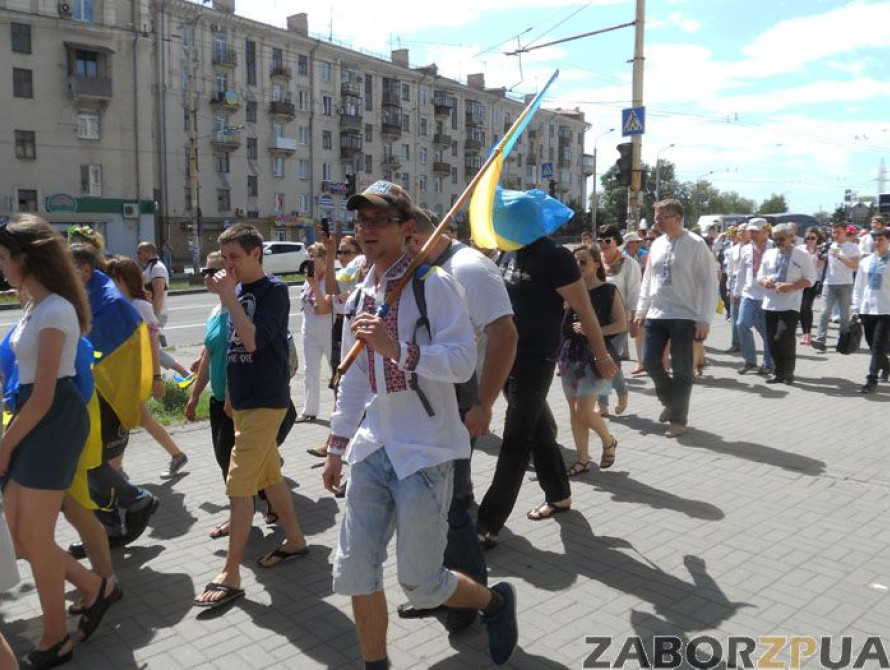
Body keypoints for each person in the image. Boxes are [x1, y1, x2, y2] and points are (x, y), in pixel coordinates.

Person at [322, 181, 519, 667]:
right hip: (373, 448)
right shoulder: (363, 291)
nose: (366, 229)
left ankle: (495, 603)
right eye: (361, 221)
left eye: (378, 220)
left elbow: (459, 363)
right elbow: (356, 381)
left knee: (423, 583)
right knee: (354, 571)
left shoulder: (436, 285)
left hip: (426, 452)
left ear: (406, 229)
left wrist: (400, 351)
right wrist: (336, 443)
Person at [0, 216, 121, 669]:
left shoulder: (55, 310)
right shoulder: (37, 304)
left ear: (23, 258)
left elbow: (46, 392)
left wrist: (6, 445)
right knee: (19, 538)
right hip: (37, 416)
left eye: (2, 257)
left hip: (50, 419)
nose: (0, 266)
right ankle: (96, 587)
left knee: (31, 536)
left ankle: (56, 637)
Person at [395, 209, 517, 633]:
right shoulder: (422, 268)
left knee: (454, 505)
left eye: (410, 240)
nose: (405, 250)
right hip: (424, 408)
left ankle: (473, 601)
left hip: (461, 404)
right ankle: (440, 588)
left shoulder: (468, 268)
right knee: (435, 505)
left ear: (430, 233)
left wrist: (485, 403)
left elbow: (505, 334)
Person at [476, 211, 617, 546]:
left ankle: (487, 523)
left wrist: (601, 355)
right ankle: (559, 495)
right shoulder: (509, 253)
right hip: (505, 355)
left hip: (535, 359)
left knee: (516, 437)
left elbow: (584, 308)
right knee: (539, 430)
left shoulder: (556, 258)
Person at [194, 224, 308, 609]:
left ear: (256, 253)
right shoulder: (237, 291)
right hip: (243, 402)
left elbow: (254, 340)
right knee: (268, 477)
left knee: (239, 484)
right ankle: (295, 540)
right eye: (224, 259)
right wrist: (230, 398)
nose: (227, 266)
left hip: (267, 401)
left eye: (234, 258)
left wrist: (228, 298)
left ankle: (230, 572)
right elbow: (233, 350)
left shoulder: (273, 290)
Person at [69, 245, 159, 552]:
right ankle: (105, 527)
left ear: (83, 270)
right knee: (91, 463)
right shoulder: (89, 297)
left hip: (105, 397)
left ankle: (132, 502)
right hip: (92, 393)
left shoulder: (108, 303)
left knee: (93, 463)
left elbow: (102, 353)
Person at [634, 199, 719, 438]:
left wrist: (704, 318)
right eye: (656, 217)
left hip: (685, 315)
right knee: (650, 362)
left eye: (662, 217)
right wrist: (641, 310)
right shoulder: (658, 244)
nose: (657, 222)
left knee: (682, 369)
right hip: (657, 313)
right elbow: (648, 279)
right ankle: (670, 400)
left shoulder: (696, 244)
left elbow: (709, 283)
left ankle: (679, 419)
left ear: (677, 217)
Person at [104, 257, 188, 479]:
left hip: (134, 376)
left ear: (125, 280)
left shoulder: (140, 306)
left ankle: (115, 470)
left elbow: (153, 343)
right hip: (121, 375)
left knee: (126, 419)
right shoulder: (117, 305)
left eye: (114, 279)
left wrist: (156, 378)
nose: (110, 284)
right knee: (141, 418)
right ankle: (176, 455)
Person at [559, 244, 625, 475]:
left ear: (597, 263)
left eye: (583, 261)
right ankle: (583, 460)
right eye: (575, 261)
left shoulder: (608, 290)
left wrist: (592, 331)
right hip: (569, 356)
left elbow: (621, 324)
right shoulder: (569, 291)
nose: (578, 265)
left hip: (595, 357)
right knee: (573, 411)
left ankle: (608, 440)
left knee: (584, 411)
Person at [756, 223, 816, 384]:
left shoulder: (802, 255)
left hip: (791, 304)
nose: (778, 242)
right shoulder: (769, 254)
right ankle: (779, 373)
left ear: (791, 238)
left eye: (781, 238)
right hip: (770, 303)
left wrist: (792, 286)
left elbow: (811, 279)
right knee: (771, 340)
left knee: (784, 336)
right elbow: (760, 275)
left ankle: (789, 372)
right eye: (775, 239)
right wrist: (765, 281)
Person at [596, 225, 639, 415]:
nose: (603, 245)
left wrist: (634, 319)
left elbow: (634, 292)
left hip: (620, 320)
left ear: (616, 242)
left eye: (607, 241)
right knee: (600, 358)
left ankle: (621, 392)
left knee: (609, 357)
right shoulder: (595, 262)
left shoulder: (629, 264)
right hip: (597, 319)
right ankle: (603, 404)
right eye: (600, 241)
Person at [136, 241, 192, 384]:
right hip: (151, 313)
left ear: (148, 252)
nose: (137, 256)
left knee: (150, 348)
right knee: (149, 349)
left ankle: (185, 374)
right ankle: (175, 376)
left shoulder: (157, 268)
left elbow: (159, 294)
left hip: (155, 314)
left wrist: (154, 317)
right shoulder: (150, 268)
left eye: (139, 252)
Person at [296, 242, 333, 424]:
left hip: (328, 329)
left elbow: (325, 308)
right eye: (308, 256)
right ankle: (309, 411)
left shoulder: (330, 279)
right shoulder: (308, 278)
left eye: (314, 256)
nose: (310, 259)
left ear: (324, 258)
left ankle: (339, 411)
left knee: (335, 371)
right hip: (309, 329)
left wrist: (315, 286)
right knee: (310, 370)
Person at [733, 218, 774, 375]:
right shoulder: (745, 249)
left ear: (766, 231)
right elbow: (741, 272)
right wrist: (736, 292)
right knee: (742, 324)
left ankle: (769, 362)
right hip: (748, 293)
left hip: (767, 296)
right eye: (751, 231)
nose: (753, 234)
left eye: (756, 231)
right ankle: (749, 360)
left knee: (766, 330)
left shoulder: (773, 247)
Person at [853, 227, 890, 394]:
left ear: (888, 241)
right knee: (870, 343)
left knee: (877, 345)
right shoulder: (866, 261)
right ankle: (887, 366)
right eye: (875, 239)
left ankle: (871, 378)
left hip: (886, 309)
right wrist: (856, 307)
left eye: (881, 239)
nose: (877, 242)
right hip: (867, 309)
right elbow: (859, 286)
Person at [812, 223, 860, 352]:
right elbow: (819, 264)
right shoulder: (829, 246)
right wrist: (820, 255)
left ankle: (843, 342)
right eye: (833, 232)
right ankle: (820, 340)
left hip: (846, 283)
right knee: (824, 312)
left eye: (838, 232)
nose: (835, 234)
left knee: (844, 316)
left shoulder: (853, 247)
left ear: (845, 232)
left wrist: (841, 256)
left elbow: (855, 266)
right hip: (829, 283)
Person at [798, 227, 826, 346]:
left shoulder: (821, 251)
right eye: (808, 238)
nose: (810, 240)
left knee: (806, 307)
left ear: (817, 238)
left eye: (812, 238)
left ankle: (808, 335)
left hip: (814, 282)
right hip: (800, 281)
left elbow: (820, 266)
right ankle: (805, 333)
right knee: (800, 308)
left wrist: (820, 255)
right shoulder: (800, 249)